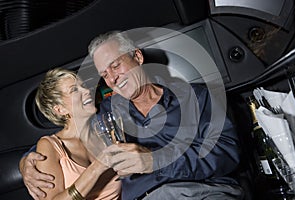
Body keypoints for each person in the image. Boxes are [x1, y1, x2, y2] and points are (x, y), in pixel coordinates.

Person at [20, 31, 244, 200]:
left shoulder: (195, 96)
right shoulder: (107, 112)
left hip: (205, 191)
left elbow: (227, 151)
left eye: (115, 66)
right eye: (104, 74)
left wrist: (156, 161)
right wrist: (27, 164)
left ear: (137, 57)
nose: (112, 78)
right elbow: (68, 139)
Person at [19, 68, 121, 200]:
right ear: (59, 109)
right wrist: (97, 168)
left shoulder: (106, 131)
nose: (86, 91)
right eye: (74, 90)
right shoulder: (50, 146)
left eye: (83, 86)